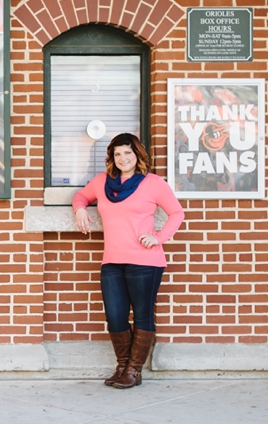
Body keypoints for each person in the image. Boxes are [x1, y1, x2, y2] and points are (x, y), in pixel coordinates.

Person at [73, 133, 184, 389]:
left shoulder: (153, 183)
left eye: (128, 153)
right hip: (112, 261)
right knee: (115, 316)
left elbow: (177, 212)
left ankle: (134, 371)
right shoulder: (103, 182)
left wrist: (158, 237)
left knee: (142, 315)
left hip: (145, 261)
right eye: (118, 153)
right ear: (112, 157)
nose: (123, 158)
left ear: (138, 155)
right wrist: (80, 208)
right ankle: (122, 366)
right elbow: (81, 196)